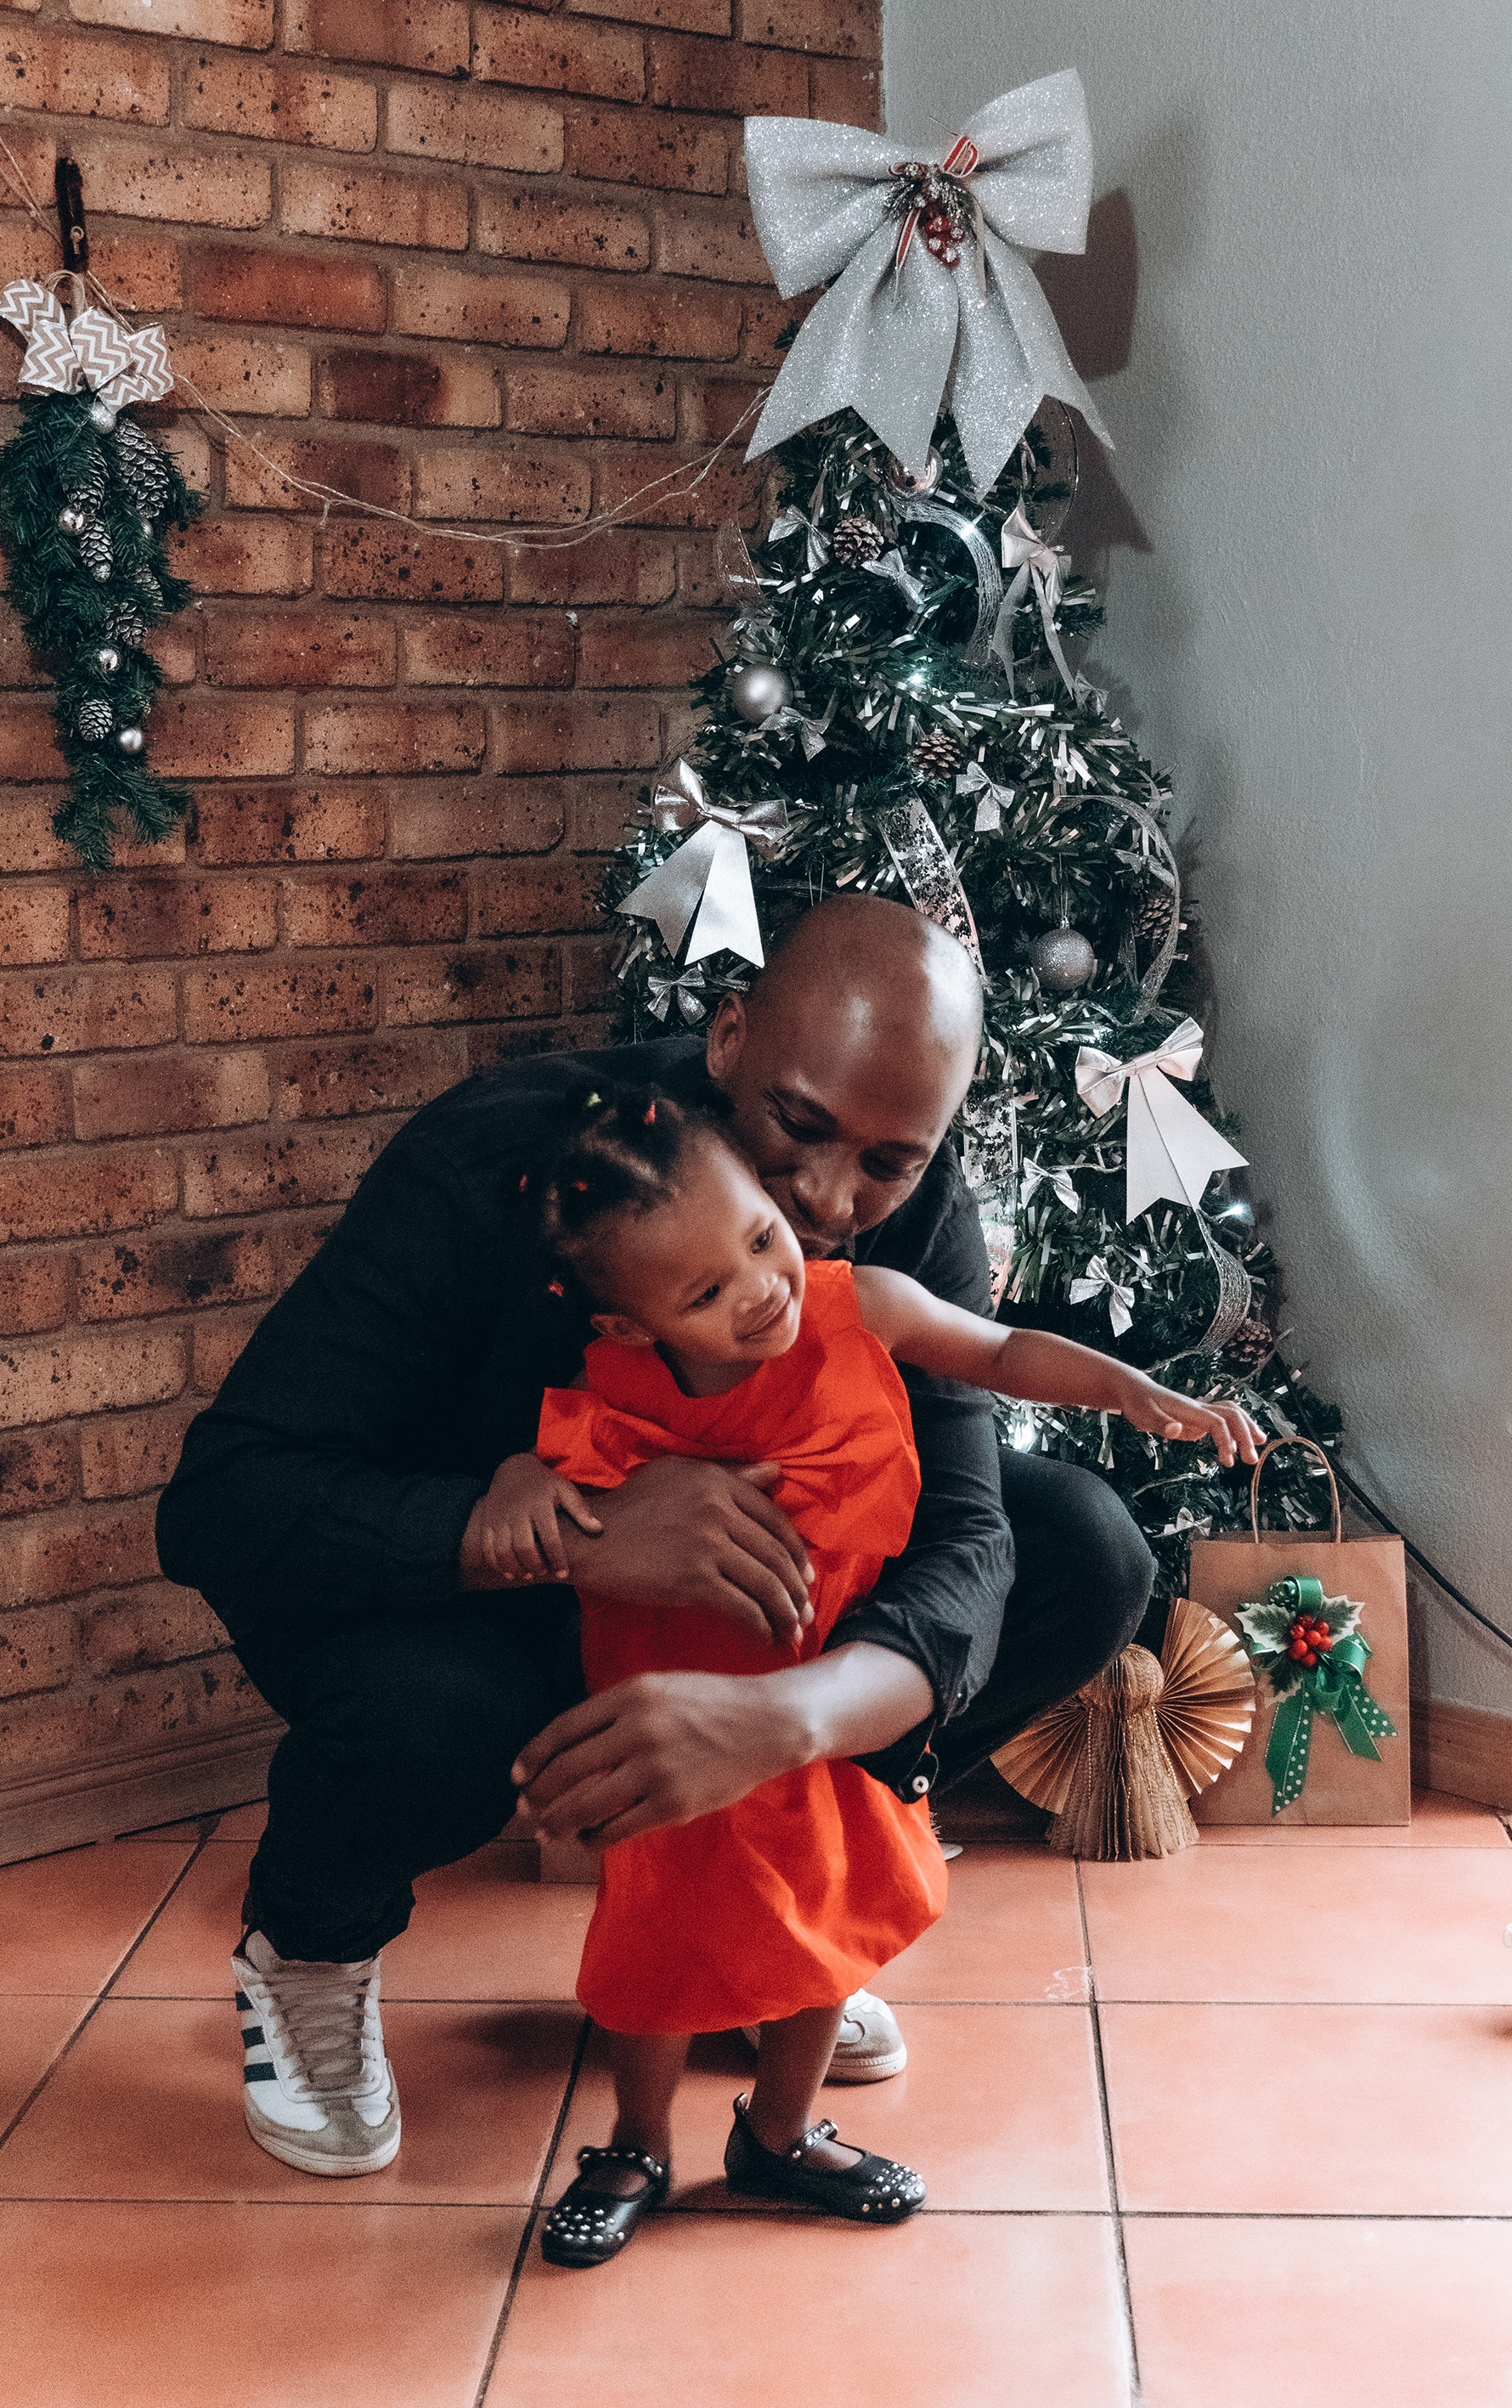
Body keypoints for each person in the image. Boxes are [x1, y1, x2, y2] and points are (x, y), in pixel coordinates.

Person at [155, 895, 1165, 2178]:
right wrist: (570, 1540)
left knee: (1084, 1551)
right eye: (799, 1129)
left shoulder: (909, 1208)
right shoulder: (497, 1159)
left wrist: (794, 1718)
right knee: (438, 1711)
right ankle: (306, 1945)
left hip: (745, 1631)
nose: (829, 1201)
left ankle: (763, 1917)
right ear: (729, 1039)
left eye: (890, 1161)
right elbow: (225, 1499)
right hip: (481, 1606)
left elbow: (968, 1529)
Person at [475, 1082, 1260, 2264]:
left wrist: (1131, 1389)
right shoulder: (611, 1392)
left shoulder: (861, 1307)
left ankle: (780, 2135)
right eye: (706, 1292)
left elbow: (998, 1350)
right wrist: (517, 1483)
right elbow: (539, 1490)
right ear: (632, 1327)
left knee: (832, 1927)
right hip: (678, 1729)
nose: (763, 1289)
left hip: (834, 1700)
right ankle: (637, 2144)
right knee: (657, 1945)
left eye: (761, 1238)